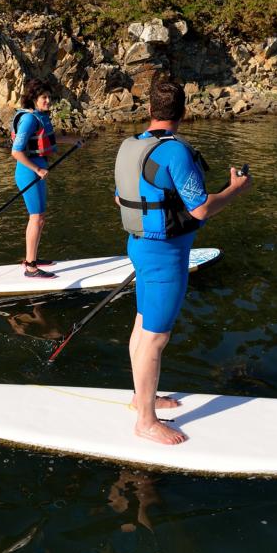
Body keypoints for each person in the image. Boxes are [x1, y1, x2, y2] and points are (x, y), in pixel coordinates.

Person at [114, 78, 251, 444]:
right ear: (183, 113)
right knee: (156, 339)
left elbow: (120, 199)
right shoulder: (176, 152)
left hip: (139, 246)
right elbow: (201, 207)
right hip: (165, 256)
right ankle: (145, 420)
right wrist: (233, 191)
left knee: (143, 325)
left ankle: (140, 397)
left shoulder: (129, 146)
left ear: (149, 111)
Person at [10, 77, 71, 278]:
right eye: (44, 97)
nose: (48, 101)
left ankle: (32, 256)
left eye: (49, 97)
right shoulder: (28, 119)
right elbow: (16, 152)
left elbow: (50, 139)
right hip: (28, 172)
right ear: (34, 98)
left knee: (40, 218)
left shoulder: (41, 116)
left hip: (36, 171)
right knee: (36, 217)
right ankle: (30, 267)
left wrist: (74, 140)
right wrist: (37, 169)